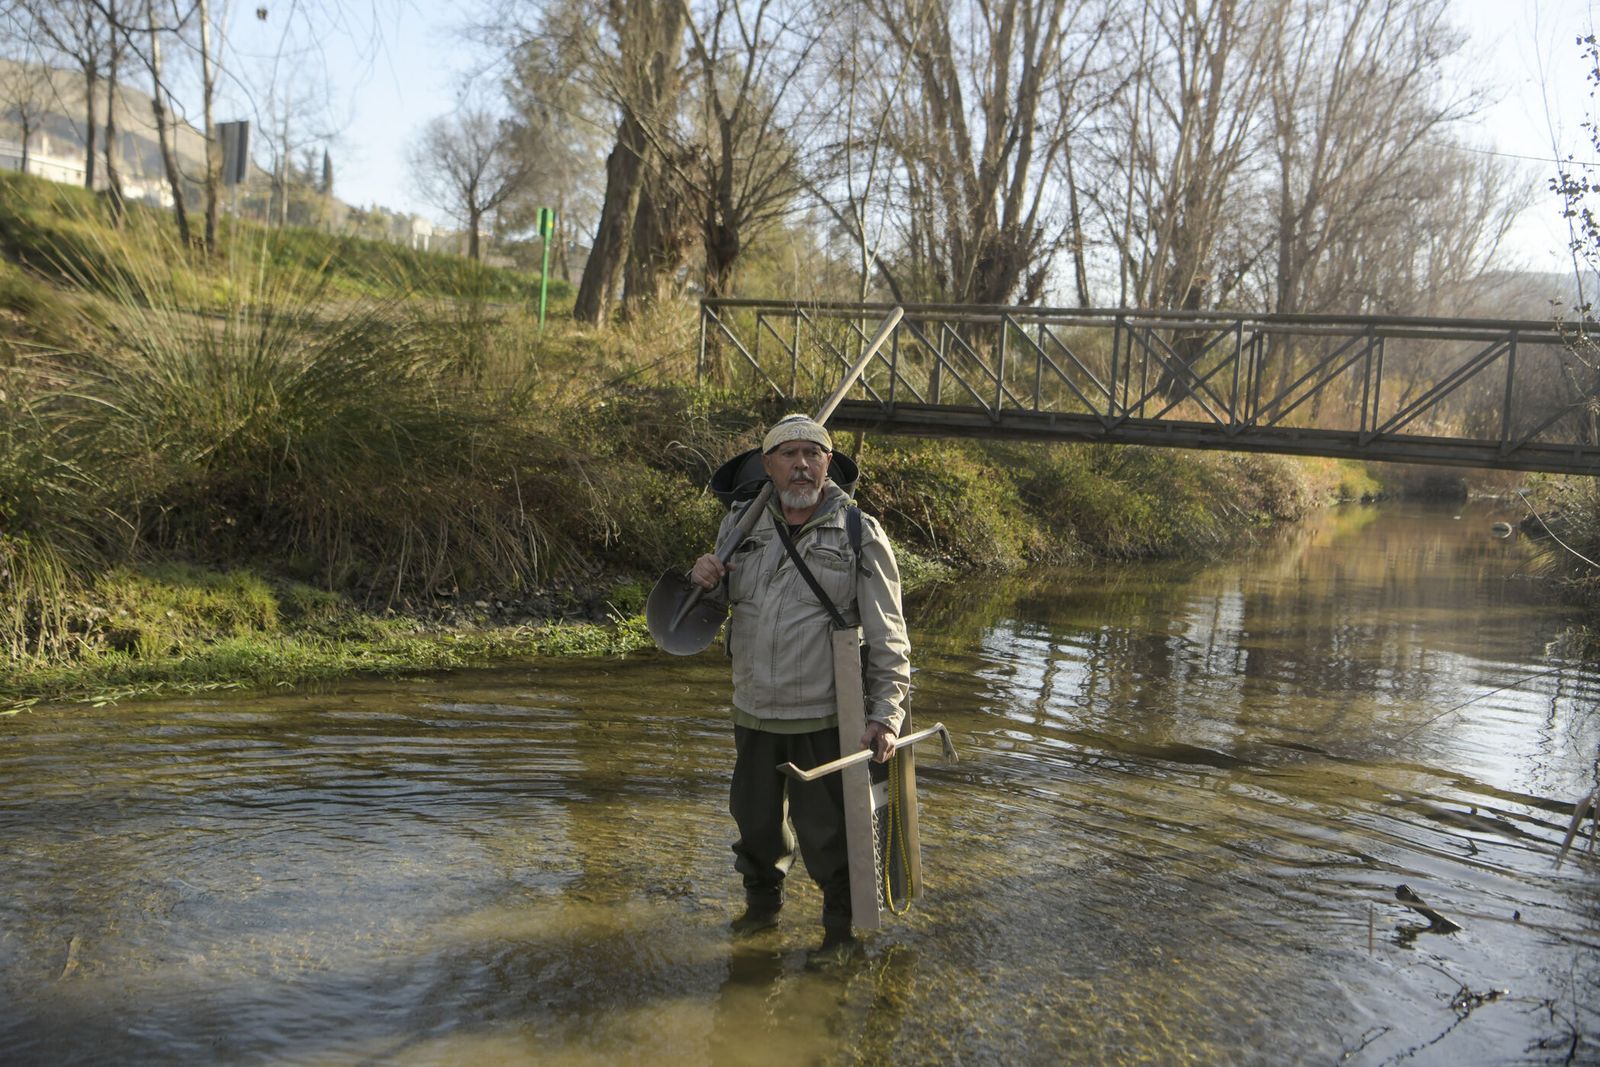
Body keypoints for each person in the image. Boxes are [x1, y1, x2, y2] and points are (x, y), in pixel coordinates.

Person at [690, 413, 912, 957]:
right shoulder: (740, 525)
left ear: (828, 464)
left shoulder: (859, 531)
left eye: (813, 454)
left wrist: (886, 715)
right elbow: (712, 611)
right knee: (755, 828)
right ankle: (760, 917)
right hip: (753, 710)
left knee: (829, 837)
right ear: (768, 466)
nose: (801, 465)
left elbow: (889, 635)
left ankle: (837, 935)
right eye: (789, 455)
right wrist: (705, 582)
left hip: (825, 715)